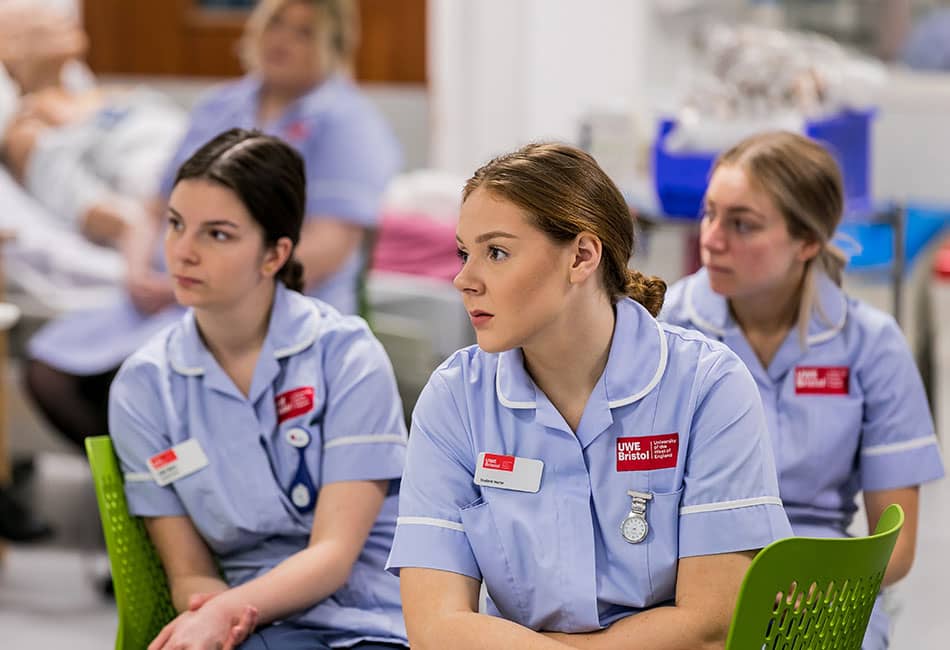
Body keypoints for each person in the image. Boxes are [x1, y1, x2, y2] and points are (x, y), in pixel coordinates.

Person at [385, 142, 792, 649]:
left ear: (581, 256)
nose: (463, 280)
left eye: (497, 253)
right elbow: (434, 627)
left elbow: (712, 622)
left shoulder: (708, 385)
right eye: (464, 253)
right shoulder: (454, 399)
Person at [25, 0, 401, 449]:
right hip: (174, 297)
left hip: (268, 304)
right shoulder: (221, 106)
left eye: (304, 32)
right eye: (276, 25)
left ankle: (181, 478)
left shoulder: (347, 123)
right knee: (54, 373)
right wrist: (137, 270)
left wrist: (203, 280)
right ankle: (149, 479)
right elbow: (156, 208)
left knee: (152, 380)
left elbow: (326, 249)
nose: (282, 40)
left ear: (333, 46)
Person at [109, 128, 408, 649]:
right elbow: (189, 572)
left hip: (370, 613)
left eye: (217, 234)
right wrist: (215, 619)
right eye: (175, 224)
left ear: (274, 255)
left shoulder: (346, 356)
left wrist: (223, 612)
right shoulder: (144, 387)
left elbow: (333, 555)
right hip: (248, 622)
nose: (182, 252)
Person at [660, 131, 945, 650]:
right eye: (709, 214)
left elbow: (896, 542)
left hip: (824, 582)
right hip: (687, 571)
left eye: (742, 224)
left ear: (807, 241)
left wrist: (810, 591)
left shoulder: (870, 344)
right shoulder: (664, 330)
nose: (712, 239)